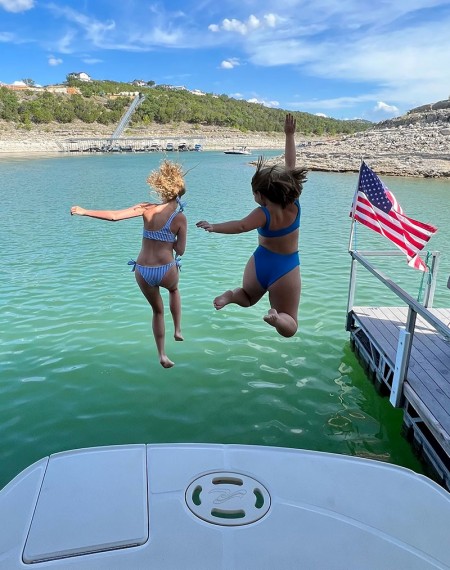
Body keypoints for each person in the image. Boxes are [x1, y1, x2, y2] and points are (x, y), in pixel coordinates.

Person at [196, 114, 307, 337]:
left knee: (247, 297)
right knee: (290, 324)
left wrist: (214, 226)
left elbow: (240, 226)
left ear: (262, 195)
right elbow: (290, 165)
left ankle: (230, 296)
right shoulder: (293, 204)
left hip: (260, 262)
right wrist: (289, 134)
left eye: (254, 193)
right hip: (286, 268)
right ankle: (276, 318)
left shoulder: (262, 213)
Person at [71, 160, 187, 368]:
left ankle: (162, 355)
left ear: (162, 190)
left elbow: (114, 217)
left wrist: (84, 210)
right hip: (165, 269)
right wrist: (171, 239)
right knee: (174, 290)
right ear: (178, 196)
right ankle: (178, 329)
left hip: (142, 270)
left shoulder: (145, 208)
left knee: (157, 312)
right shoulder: (179, 218)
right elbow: (181, 251)